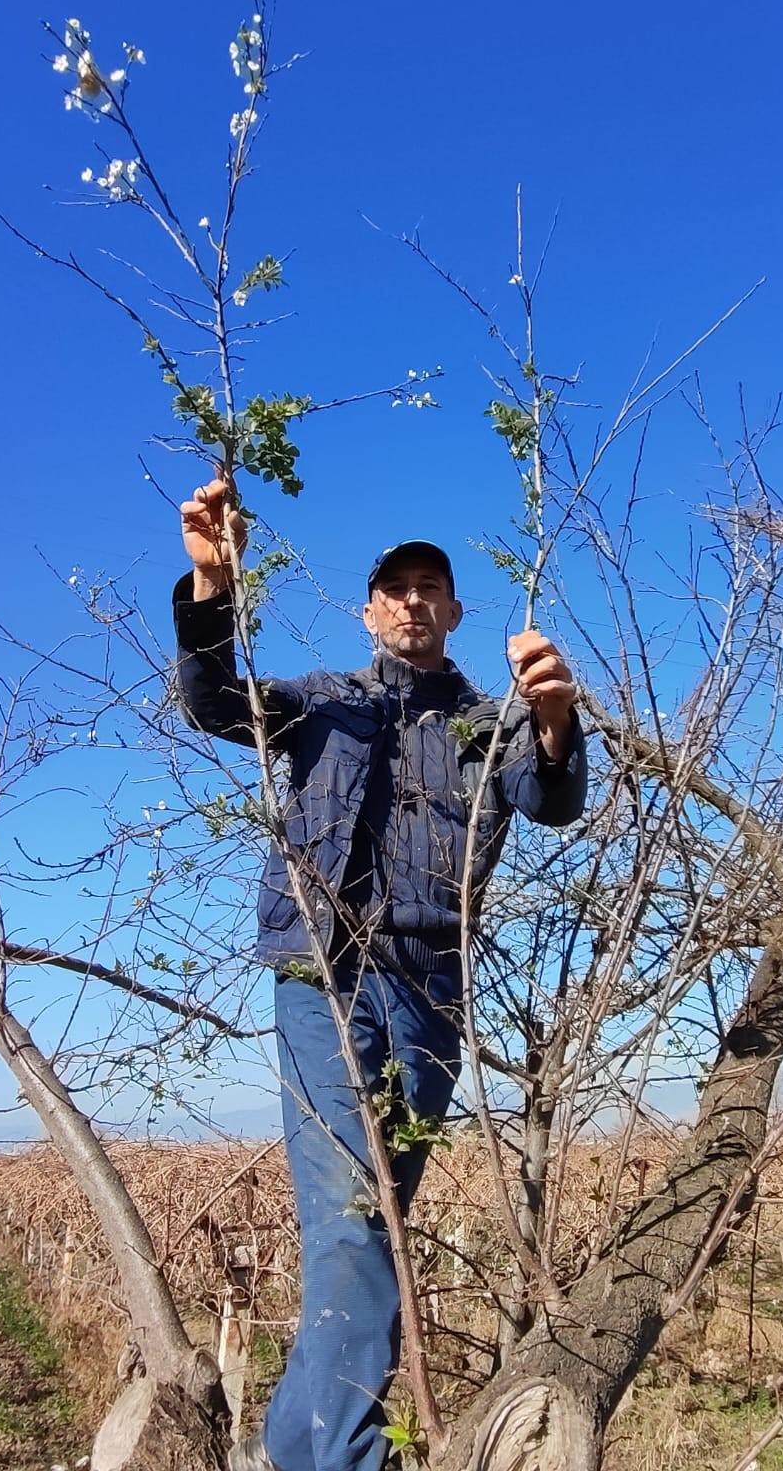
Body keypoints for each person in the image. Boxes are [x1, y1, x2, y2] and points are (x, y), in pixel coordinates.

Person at [173, 479, 588, 1471]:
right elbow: (212, 702)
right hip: (321, 980)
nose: (410, 600)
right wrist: (209, 586)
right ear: (368, 613)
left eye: (428, 587)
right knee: (355, 1225)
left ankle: (288, 1442)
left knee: (376, 1223)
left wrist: (557, 719)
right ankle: (351, 1458)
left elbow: (549, 802)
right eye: (392, 587)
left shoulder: (486, 727)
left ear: (453, 612)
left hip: (429, 989)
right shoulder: (319, 704)